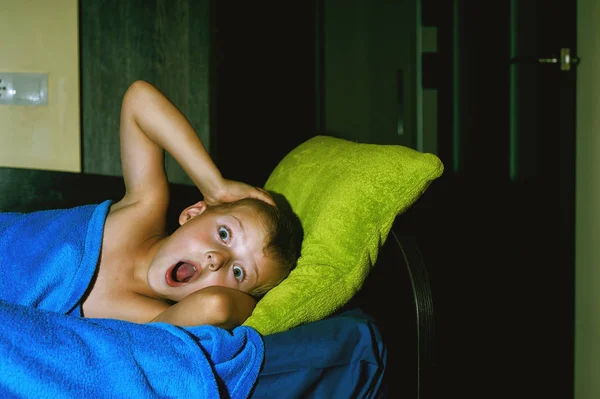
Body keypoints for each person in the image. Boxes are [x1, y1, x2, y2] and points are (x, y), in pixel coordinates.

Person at [0, 80, 303, 330]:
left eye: (238, 272)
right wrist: (213, 184)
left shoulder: (150, 320)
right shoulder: (141, 211)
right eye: (224, 234)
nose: (216, 259)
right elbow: (139, 100)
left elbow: (216, 306)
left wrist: (249, 304)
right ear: (194, 212)